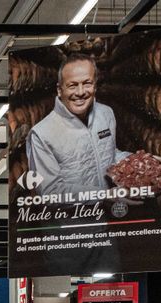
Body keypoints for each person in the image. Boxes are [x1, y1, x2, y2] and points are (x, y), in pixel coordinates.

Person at [25, 54, 132, 199]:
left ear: (95, 85)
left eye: (87, 83)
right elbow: (50, 191)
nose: (80, 92)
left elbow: (109, 154)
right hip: (72, 218)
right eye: (72, 85)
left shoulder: (106, 113)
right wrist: (103, 196)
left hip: (111, 214)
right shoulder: (41, 134)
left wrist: (140, 161)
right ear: (59, 89)